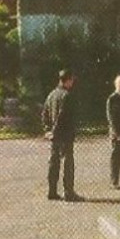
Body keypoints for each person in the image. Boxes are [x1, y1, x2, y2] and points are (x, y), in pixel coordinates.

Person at [42, 68, 81, 202]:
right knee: (67, 163)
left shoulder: (51, 94)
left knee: (53, 163)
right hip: (64, 135)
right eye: (72, 80)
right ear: (68, 80)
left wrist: (47, 129)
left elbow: (45, 113)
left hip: (54, 136)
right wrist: (55, 131)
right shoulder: (67, 95)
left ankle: (52, 191)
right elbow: (62, 116)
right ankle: (68, 192)